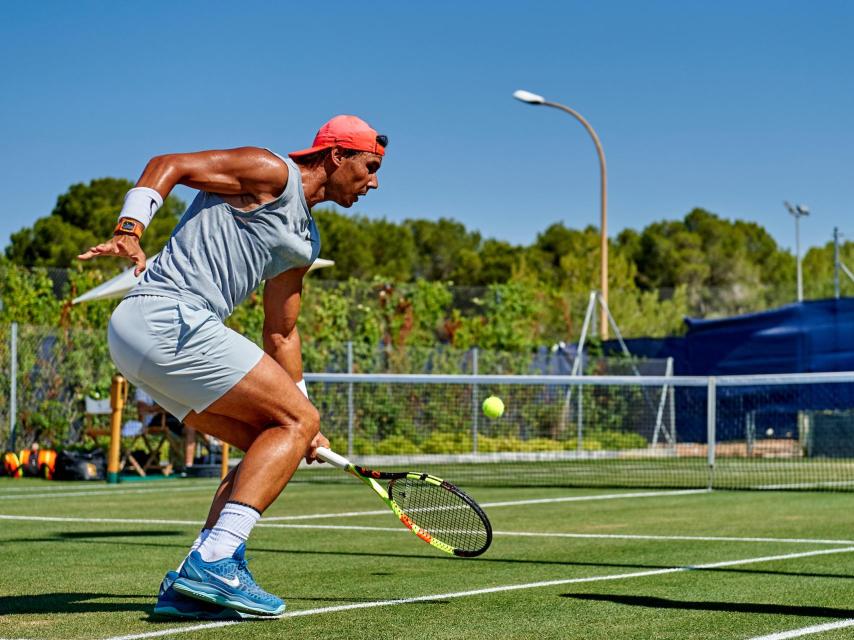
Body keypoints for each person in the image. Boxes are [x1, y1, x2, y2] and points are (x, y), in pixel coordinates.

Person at [78, 115, 386, 619]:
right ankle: (216, 560)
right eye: (369, 167)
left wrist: (302, 413)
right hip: (165, 315)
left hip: (146, 339)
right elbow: (168, 164)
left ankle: (187, 584)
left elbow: (281, 333)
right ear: (336, 156)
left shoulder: (305, 240)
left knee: (273, 440)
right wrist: (129, 229)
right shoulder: (271, 172)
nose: (373, 181)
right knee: (294, 423)